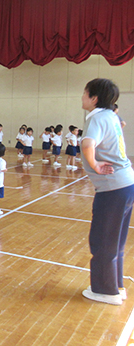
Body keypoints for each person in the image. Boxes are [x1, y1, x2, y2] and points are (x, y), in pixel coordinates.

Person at [80, 78, 134, 306]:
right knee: (115, 239)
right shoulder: (111, 116)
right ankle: (116, 285)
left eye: (85, 93)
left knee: (102, 239)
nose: (82, 97)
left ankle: (105, 291)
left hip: (112, 188)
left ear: (94, 98)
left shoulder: (98, 118)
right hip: (126, 185)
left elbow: (87, 144)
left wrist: (95, 164)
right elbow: (118, 123)